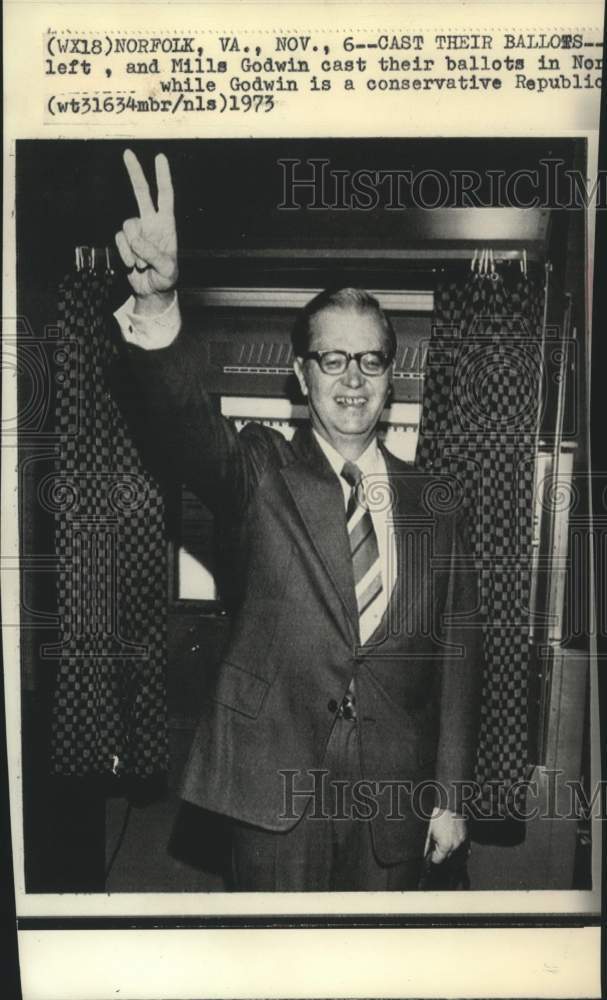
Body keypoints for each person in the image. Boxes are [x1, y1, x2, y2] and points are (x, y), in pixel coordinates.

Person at [114, 149, 483, 891]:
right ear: (300, 373)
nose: (352, 378)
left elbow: (457, 658)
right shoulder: (257, 469)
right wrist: (158, 308)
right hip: (273, 789)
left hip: (393, 798)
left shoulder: (438, 500)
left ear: (391, 376)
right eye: (332, 359)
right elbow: (181, 426)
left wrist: (449, 793)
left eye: (370, 362)